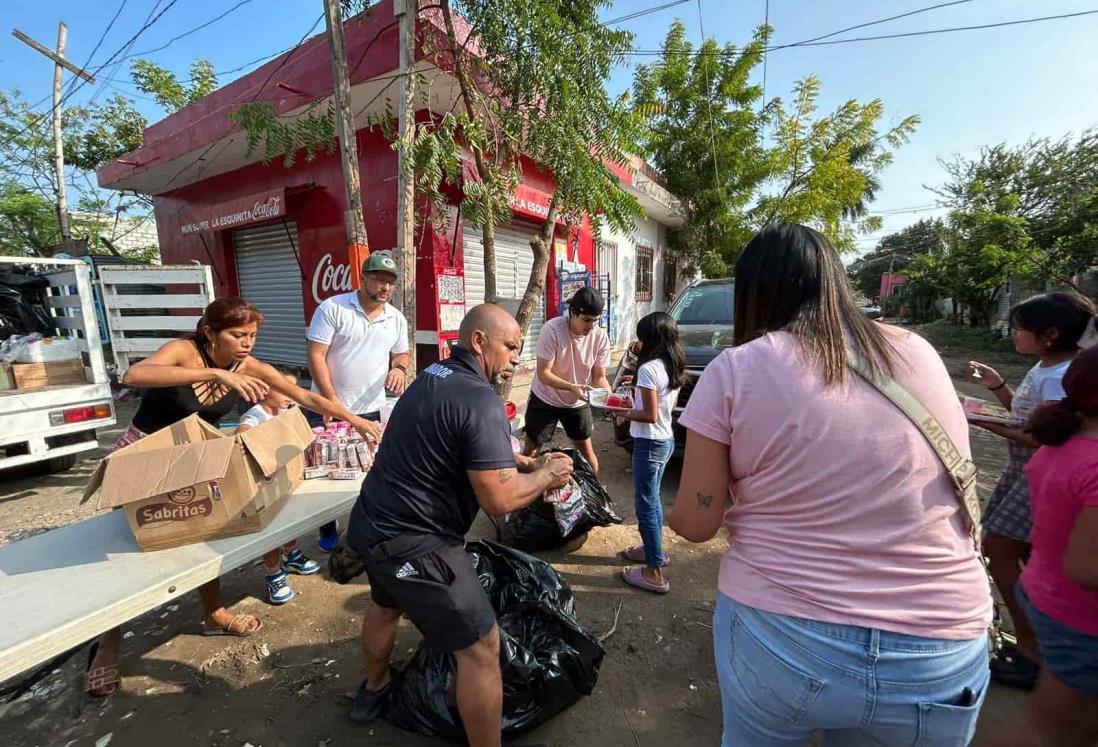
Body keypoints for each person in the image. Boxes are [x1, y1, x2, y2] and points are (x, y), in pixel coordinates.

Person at [669, 224, 993, 746]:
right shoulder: (919, 352)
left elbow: (697, 522)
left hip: (784, 636)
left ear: (754, 292)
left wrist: (673, 511)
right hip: (938, 645)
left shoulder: (737, 368)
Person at [84, 298, 378, 698]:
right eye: (238, 335)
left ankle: (213, 611)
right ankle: (108, 648)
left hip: (193, 458)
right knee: (127, 554)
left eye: (253, 336)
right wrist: (214, 375)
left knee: (206, 534)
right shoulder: (185, 351)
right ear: (210, 332)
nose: (247, 344)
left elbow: (305, 397)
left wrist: (356, 420)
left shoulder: (247, 365)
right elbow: (134, 374)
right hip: (143, 457)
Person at [345, 303, 573, 747]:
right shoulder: (480, 397)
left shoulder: (431, 378)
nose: (515, 359)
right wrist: (545, 475)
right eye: (509, 347)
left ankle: (372, 691)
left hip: (372, 525)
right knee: (481, 648)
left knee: (386, 606)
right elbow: (500, 498)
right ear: (478, 341)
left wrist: (526, 460)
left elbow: (462, 444)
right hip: (416, 542)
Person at [967, 291, 1096, 689]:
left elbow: (1046, 437)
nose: (1014, 333)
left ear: (1050, 334)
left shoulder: (1064, 376)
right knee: (1015, 552)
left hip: (1038, 474)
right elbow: (1030, 417)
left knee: (1000, 549)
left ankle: (1031, 649)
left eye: (1020, 328)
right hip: (1023, 472)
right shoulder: (1047, 367)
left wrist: (987, 425)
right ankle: (1033, 639)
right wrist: (998, 389)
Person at [986, 346, 1098, 746]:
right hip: (1081, 621)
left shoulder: (1065, 446)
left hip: (1046, 596)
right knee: (1050, 732)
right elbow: (1087, 568)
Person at [307, 252, 407, 552]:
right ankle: (327, 529)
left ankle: (364, 529)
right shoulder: (333, 308)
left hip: (372, 409)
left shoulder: (396, 318)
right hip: (329, 407)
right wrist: (331, 400)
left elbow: (401, 353)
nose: (385, 288)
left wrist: (399, 368)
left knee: (368, 471)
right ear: (362, 278)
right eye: (378, 279)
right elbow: (316, 355)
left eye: (390, 282)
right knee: (325, 475)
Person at [612, 311, 685, 594]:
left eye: (640, 337)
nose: (636, 342)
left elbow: (649, 414)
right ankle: (652, 550)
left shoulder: (648, 369)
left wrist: (621, 411)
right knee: (652, 499)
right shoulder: (670, 364)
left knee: (646, 504)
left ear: (650, 339)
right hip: (665, 440)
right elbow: (657, 403)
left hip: (650, 442)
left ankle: (654, 572)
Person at [237, 370, 322, 605]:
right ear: (264, 391)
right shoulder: (255, 416)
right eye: (283, 390)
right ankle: (274, 573)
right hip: (264, 484)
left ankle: (291, 554)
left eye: (292, 391)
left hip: (287, 478)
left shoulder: (286, 412)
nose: (289, 396)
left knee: (289, 518)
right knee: (271, 529)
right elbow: (241, 435)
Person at [523, 286, 611, 474]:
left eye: (595, 321)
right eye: (586, 320)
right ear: (572, 313)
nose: (591, 326)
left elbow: (599, 378)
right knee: (531, 450)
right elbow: (543, 373)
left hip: (576, 401)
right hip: (545, 397)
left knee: (586, 451)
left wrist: (611, 398)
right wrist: (572, 387)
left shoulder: (600, 337)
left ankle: (595, 497)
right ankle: (523, 498)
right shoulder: (552, 330)